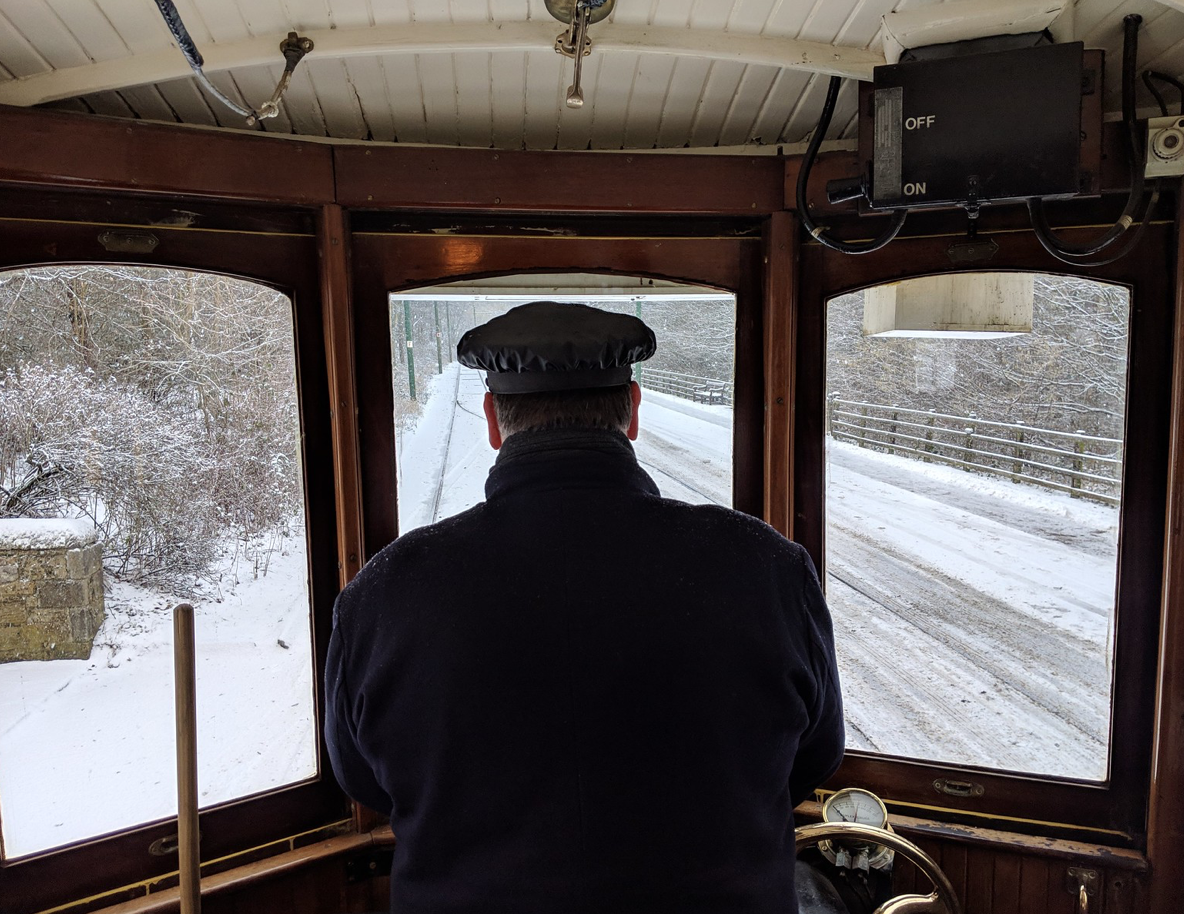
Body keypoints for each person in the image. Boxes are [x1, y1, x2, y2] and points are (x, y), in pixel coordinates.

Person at [324, 301, 844, 914]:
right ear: (633, 413)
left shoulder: (384, 592)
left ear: (492, 420)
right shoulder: (769, 568)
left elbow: (360, 779)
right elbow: (815, 756)